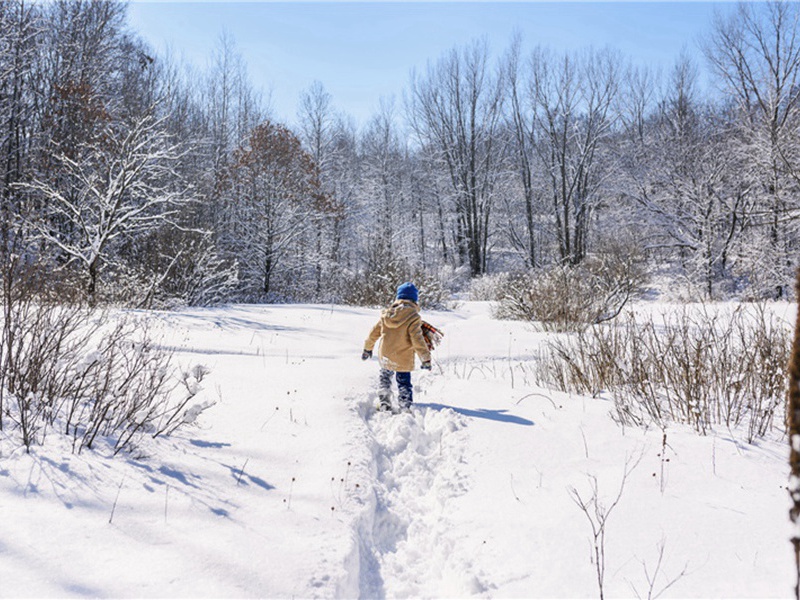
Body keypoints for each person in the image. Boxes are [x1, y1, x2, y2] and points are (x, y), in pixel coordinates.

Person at [362, 282, 432, 411]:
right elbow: (417, 339)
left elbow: (374, 332)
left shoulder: (387, 314)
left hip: (386, 355)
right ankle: (405, 405)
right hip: (403, 356)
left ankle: (384, 401)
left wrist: (368, 348)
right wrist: (425, 358)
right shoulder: (413, 317)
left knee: (385, 377)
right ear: (414, 300)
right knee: (403, 382)